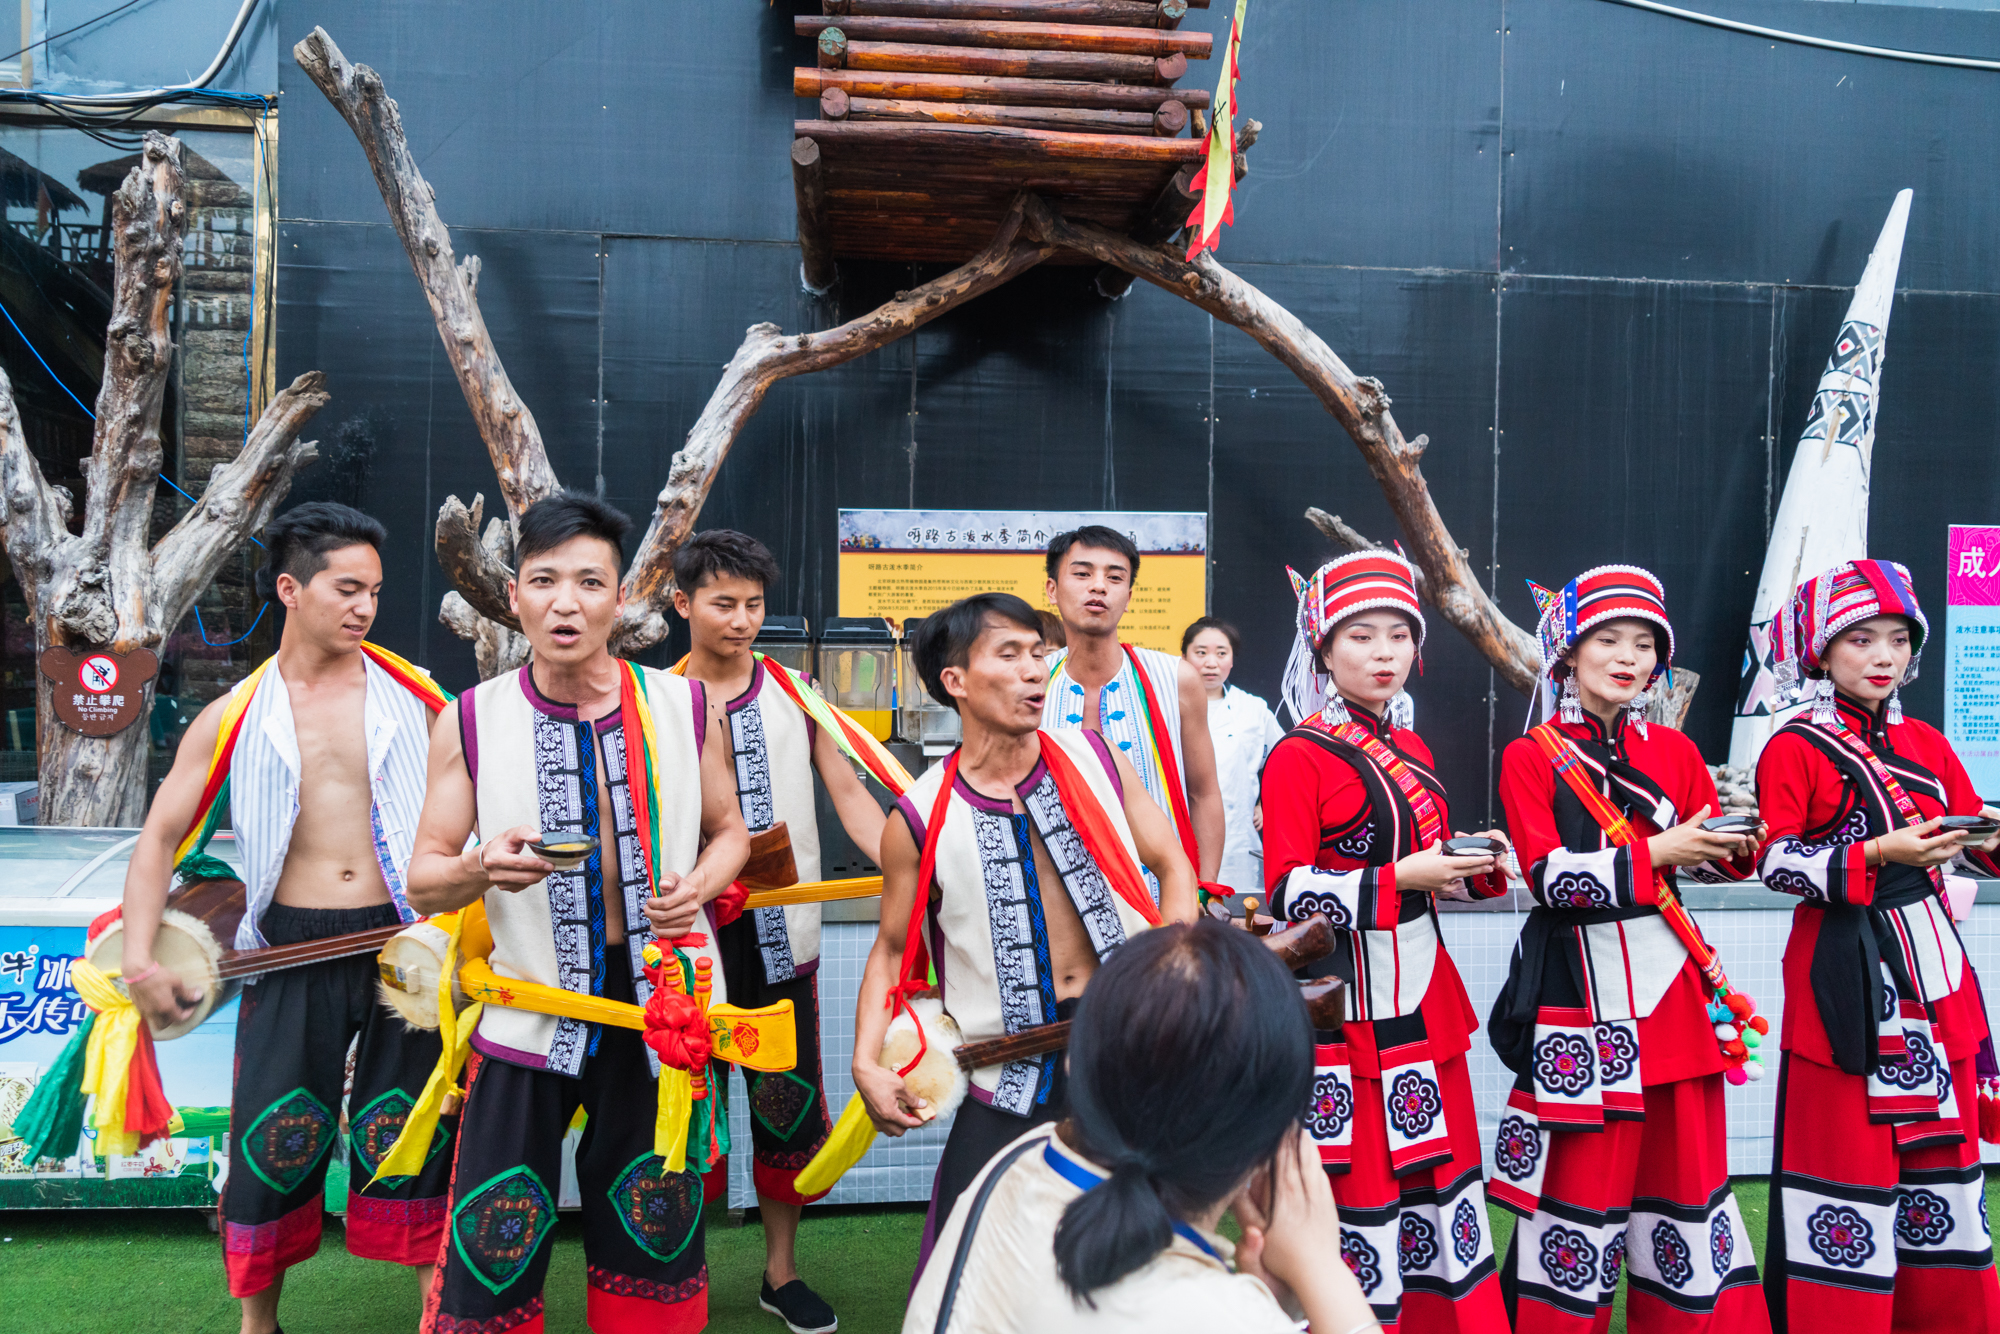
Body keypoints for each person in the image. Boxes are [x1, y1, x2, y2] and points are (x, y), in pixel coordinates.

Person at [405, 493, 751, 1334]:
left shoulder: (684, 706)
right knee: (494, 1226)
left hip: (657, 1006)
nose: (567, 603)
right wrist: (481, 867)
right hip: (527, 1003)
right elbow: (423, 881)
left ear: (620, 598)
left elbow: (732, 832)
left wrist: (700, 884)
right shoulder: (470, 719)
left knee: (653, 1223)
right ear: (513, 595)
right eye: (545, 581)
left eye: (590, 582)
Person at [117, 503, 454, 1334]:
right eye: (347, 588)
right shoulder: (235, 713)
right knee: (274, 1134)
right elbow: (158, 838)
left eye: (374, 591)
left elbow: (477, 806)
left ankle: (437, 1316)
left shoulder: (419, 696)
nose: (365, 607)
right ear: (291, 589)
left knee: (414, 1128)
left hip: (406, 941)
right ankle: (258, 1324)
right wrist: (137, 956)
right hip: (288, 946)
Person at [852, 592, 1200, 1279]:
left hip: (1122, 1051)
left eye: (1038, 654)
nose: (1035, 671)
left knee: (1141, 1260)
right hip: (1005, 1070)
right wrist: (865, 1062)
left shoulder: (1097, 758)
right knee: (968, 1267)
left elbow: (1173, 866)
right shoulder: (919, 817)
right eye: (1009, 655)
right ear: (956, 680)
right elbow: (891, 950)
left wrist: (1174, 966)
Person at [1489, 565, 1770, 1333]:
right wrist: (1660, 852)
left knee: (1687, 1181)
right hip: (1577, 992)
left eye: (1644, 644)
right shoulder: (1531, 754)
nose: (1628, 657)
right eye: (1608, 639)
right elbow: (1547, 879)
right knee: (1577, 1187)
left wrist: (1739, 842)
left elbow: (1712, 858)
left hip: (1674, 988)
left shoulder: (1673, 751)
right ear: (1568, 652)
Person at [1259, 552, 1512, 1333]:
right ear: (1324, 649)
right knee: (1360, 1187)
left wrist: (1472, 868)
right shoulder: (1298, 754)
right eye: (1361, 635)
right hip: (1346, 1006)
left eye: (1399, 635)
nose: (1383, 653)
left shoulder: (1413, 749)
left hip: (1422, 995)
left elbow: (1426, 873)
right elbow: (1285, 892)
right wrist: (1401, 875)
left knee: (1440, 1186)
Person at [903, 922, 1382, 1334]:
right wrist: (1321, 1272)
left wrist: (1261, 1303)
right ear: (1273, 1141)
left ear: (1076, 1066)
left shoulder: (1018, 1161)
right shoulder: (1221, 1317)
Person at [1754, 559, 2000, 1333]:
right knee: (1845, 1156)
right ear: (1821, 651)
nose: (1883, 656)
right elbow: (1776, 861)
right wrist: (1878, 854)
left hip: (1933, 964)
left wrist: (1988, 835)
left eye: (1898, 638)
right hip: (1846, 969)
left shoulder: (1927, 741)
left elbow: (1974, 833)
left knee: (1943, 1165)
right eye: (1860, 639)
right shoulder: (1794, 746)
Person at [670, 528, 890, 1334]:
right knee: (681, 1109)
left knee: (784, 1107)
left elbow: (850, 794)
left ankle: (780, 1271)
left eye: (754, 605)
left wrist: (913, 868)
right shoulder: (653, 698)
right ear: (681, 602)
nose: (741, 620)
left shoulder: (798, 693)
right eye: (723, 603)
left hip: (780, 937)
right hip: (684, 944)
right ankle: (678, 1270)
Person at [1042, 525, 1224, 890]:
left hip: (1160, 900)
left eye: (1114, 577)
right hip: (1058, 900)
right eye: (1082, 574)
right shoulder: (1033, 682)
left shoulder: (1176, 678)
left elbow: (1203, 793)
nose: (1098, 586)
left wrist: (1203, 893)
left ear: (1128, 597)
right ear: (1052, 590)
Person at [1183, 616, 1284, 894]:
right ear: (1184, 657)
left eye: (1221, 653)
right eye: (1201, 653)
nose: (1211, 663)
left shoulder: (1252, 709)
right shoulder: (1165, 707)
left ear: (1232, 660)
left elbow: (1286, 761)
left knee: (1238, 912)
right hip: (1181, 834)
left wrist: (1266, 804)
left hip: (1239, 838)